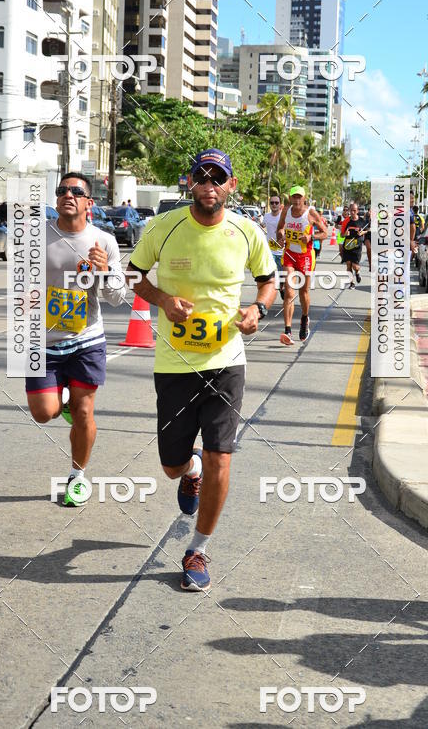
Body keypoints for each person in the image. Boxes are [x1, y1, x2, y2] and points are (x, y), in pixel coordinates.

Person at [128, 148, 276, 591]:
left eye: (219, 178)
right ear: (189, 182)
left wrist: (258, 311)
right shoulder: (163, 227)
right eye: (202, 176)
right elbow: (134, 275)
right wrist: (163, 301)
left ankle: (198, 548)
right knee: (173, 465)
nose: (209, 185)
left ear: (231, 186)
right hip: (174, 363)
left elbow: (269, 282)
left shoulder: (247, 232)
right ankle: (188, 472)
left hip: (226, 362)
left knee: (220, 456)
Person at [25, 172, 126, 506]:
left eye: (76, 191)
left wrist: (105, 272)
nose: (68, 195)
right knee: (43, 412)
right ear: (56, 199)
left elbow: (116, 297)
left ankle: (77, 476)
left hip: (86, 340)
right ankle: (60, 403)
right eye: (62, 190)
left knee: (84, 412)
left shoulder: (104, 242)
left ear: (88, 202)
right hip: (44, 341)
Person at [276, 186, 327, 345]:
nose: (297, 200)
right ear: (290, 198)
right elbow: (280, 228)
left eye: (299, 197)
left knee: (303, 292)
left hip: (306, 256)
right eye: (294, 197)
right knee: (289, 292)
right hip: (290, 254)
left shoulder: (311, 213)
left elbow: (325, 233)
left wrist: (311, 236)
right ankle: (288, 331)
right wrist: (281, 235)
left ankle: (305, 319)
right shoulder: (286, 211)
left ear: (304, 198)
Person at [340, 202, 367, 288]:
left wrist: (362, 232)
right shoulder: (346, 221)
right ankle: (352, 283)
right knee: (348, 264)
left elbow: (367, 230)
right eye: (351, 210)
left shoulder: (362, 221)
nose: (352, 212)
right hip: (347, 245)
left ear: (357, 211)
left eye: (354, 211)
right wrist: (345, 234)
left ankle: (357, 272)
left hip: (357, 246)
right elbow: (341, 235)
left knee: (355, 266)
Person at [263, 193, 285, 298]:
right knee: (270, 275)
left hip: (282, 251)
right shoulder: (266, 216)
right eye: (272, 203)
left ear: (280, 205)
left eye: (276, 203)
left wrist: (283, 238)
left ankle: (282, 288)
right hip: (270, 250)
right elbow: (263, 227)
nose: (274, 205)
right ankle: (269, 294)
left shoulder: (283, 217)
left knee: (282, 276)